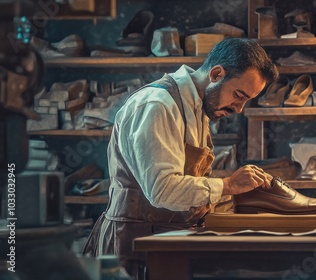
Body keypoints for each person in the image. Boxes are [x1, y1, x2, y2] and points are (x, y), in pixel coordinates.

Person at [83, 37, 279, 279]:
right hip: (135, 247)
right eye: (239, 95)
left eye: (246, 100)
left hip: (165, 241)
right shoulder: (158, 105)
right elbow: (162, 190)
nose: (239, 108)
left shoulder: (197, 107)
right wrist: (227, 185)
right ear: (216, 74)